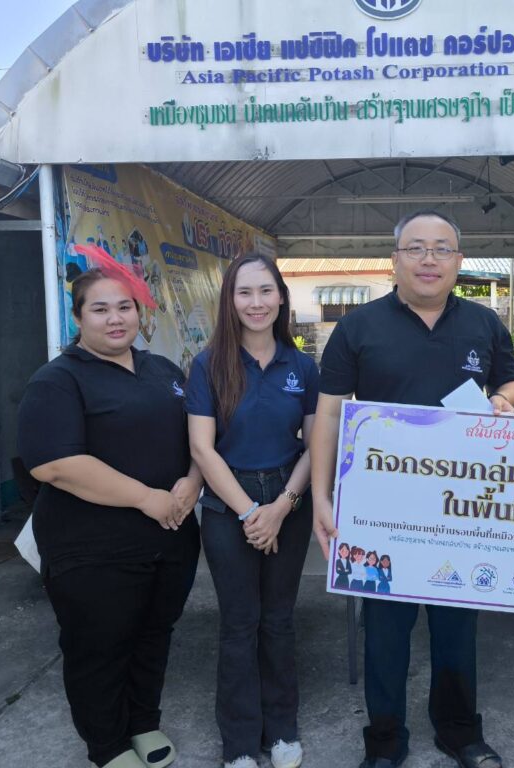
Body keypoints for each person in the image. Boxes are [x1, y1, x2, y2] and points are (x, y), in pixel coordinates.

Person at [311, 210, 514, 768]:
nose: (428, 259)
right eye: (415, 248)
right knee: (386, 630)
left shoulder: (484, 323)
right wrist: (319, 497)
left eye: (441, 249)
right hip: (383, 508)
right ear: (395, 259)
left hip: (464, 505)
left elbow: (513, 381)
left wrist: (506, 400)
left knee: (458, 623)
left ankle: (459, 731)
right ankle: (385, 741)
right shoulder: (357, 328)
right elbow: (329, 416)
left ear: (459, 261)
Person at [18, 264, 201, 768]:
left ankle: (142, 723)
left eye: (125, 307)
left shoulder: (163, 371)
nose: (115, 319)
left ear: (140, 313)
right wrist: (147, 497)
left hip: (170, 538)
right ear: (79, 318)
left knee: (153, 633)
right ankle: (108, 745)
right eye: (100, 309)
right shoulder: (58, 379)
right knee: (99, 645)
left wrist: (193, 478)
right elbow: (55, 463)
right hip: (91, 547)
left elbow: (199, 437)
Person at [186, 254, 317, 768]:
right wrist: (248, 514)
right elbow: (202, 448)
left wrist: (281, 507)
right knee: (240, 622)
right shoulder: (207, 365)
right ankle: (239, 742)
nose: (256, 303)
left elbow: (316, 445)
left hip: (290, 498)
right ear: (230, 300)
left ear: (281, 296)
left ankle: (282, 730)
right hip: (226, 504)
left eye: (266, 291)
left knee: (279, 620)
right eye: (245, 293)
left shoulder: (302, 366)